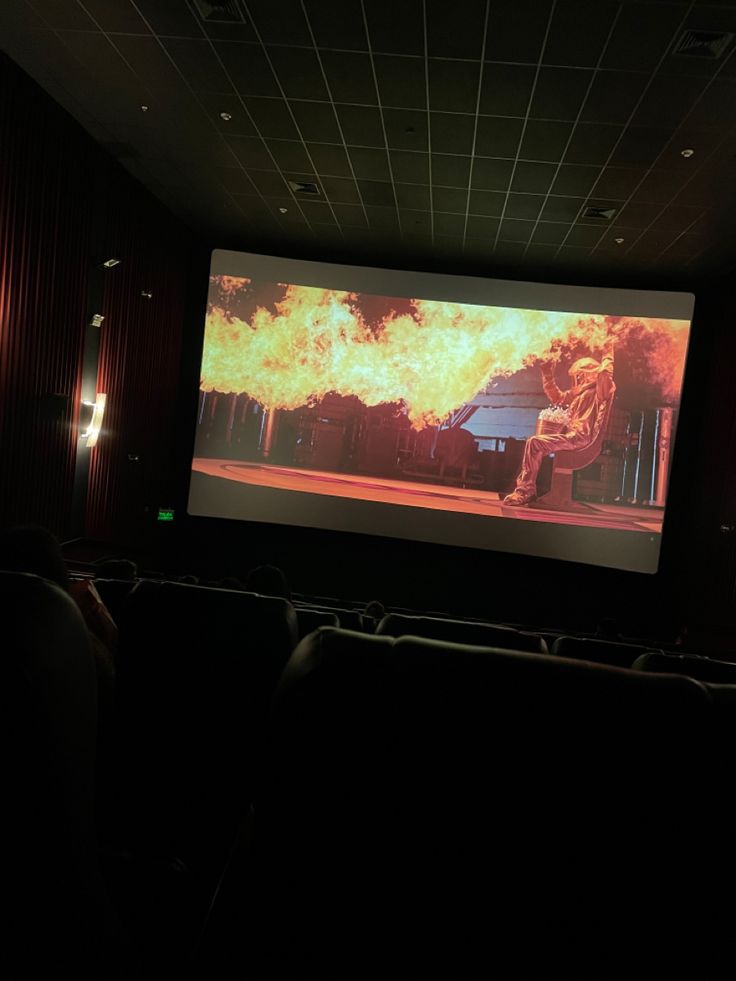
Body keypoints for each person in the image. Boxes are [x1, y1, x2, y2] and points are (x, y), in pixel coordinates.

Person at [503, 338, 615, 506]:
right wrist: (547, 375)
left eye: (579, 376)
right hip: (572, 436)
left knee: (534, 443)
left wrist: (608, 348)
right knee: (535, 443)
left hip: (580, 438)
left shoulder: (601, 388)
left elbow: (606, 372)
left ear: (588, 373)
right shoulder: (580, 393)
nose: (576, 380)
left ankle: (525, 491)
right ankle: (527, 490)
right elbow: (558, 398)